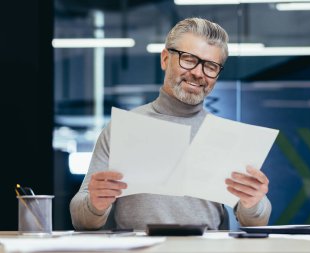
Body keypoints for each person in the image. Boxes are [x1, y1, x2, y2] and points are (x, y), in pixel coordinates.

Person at [70, 17, 271, 230]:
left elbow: (255, 220)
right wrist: (95, 203)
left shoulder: (226, 135)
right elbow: (81, 219)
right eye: (188, 59)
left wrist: (254, 203)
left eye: (210, 66)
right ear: (165, 59)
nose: (197, 72)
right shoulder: (124, 128)